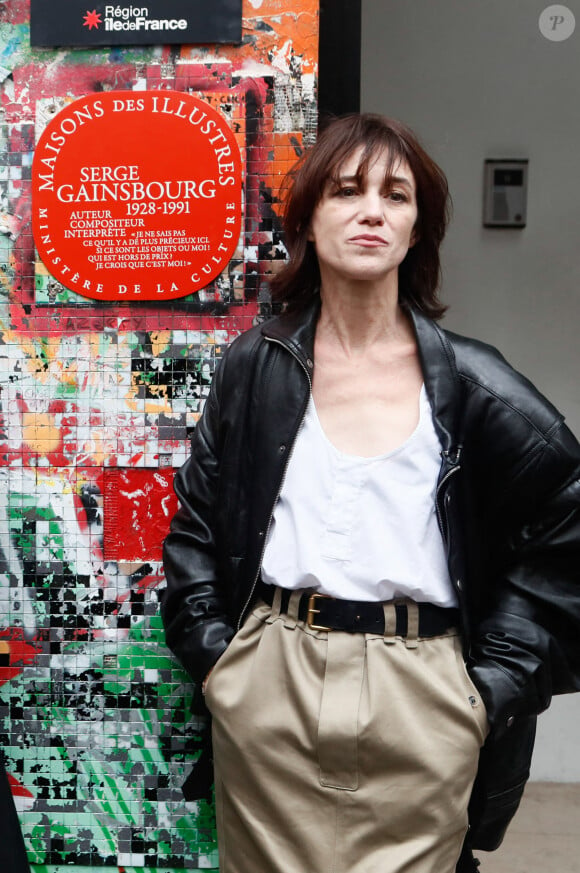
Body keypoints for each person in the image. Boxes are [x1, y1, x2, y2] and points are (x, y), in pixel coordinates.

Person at [161, 114, 580, 873]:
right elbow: (194, 526)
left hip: (422, 686)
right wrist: (221, 661)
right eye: (346, 190)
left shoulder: (475, 384)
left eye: (397, 194)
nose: (372, 210)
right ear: (310, 220)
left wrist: (490, 686)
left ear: (418, 228)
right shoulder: (253, 369)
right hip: (269, 674)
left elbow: (568, 524)